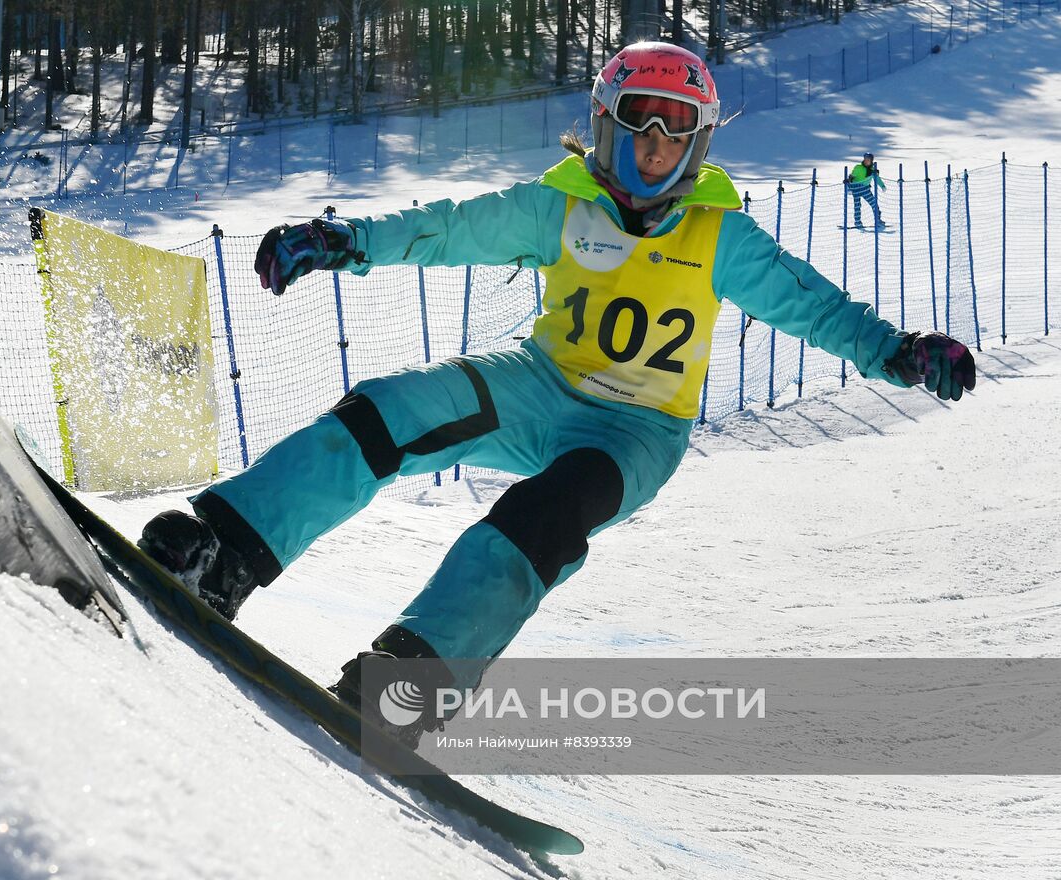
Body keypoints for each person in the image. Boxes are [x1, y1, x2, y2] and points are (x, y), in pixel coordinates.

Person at [139, 42, 976, 744]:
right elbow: (452, 228)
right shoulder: (561, 207)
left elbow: (809, 303)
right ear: (606, 128)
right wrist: (348, 241)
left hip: (635, 435)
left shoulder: (721, 232)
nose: (654, 150)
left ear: (700, 147)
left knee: (535, 521)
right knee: (385, 411)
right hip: (541, 384)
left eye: (674, 134)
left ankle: (413, 682)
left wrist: (894, 352)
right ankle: (225, 552)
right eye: (640, 127)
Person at [849, 151, 886, 230]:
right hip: (856, 188)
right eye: (865, 159)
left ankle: (878, 220)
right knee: (857, 205)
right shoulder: (858, 167)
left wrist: (882, 185)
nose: (866, 161)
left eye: (868, 160)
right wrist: (849, 186)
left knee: (874, 204)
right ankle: (858, 222)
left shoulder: (872, 170)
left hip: (865, 189)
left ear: (871, 161)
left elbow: (877, 179)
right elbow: (851, 177)